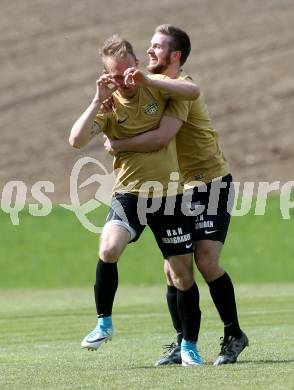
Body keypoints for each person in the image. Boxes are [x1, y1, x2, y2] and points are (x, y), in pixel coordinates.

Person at [104, 25, 249, 366]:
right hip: (178, 188)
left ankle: (233, 333)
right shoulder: (157, 92)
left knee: (206, 261)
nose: (150, 51)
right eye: (150, 46)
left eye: (157, 47)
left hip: (211, 183)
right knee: (174, 269)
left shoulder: (180, 89)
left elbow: (160, 138)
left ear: (175, 56)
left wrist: (119, 145)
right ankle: (183, 342)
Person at [69, 35, 204, 366]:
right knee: (108, 249)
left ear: (137, 66)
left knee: (182, 275)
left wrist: (144, 81)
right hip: (129, 195)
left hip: (169, 196)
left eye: (128, 72)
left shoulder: (158, 87)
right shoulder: (109, 103)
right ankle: (104, 323)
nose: (123, 81)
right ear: (107, 76)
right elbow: (76, 140)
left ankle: (189, 345)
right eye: (115, 76)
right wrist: (95, 100)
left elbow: (192, 91)